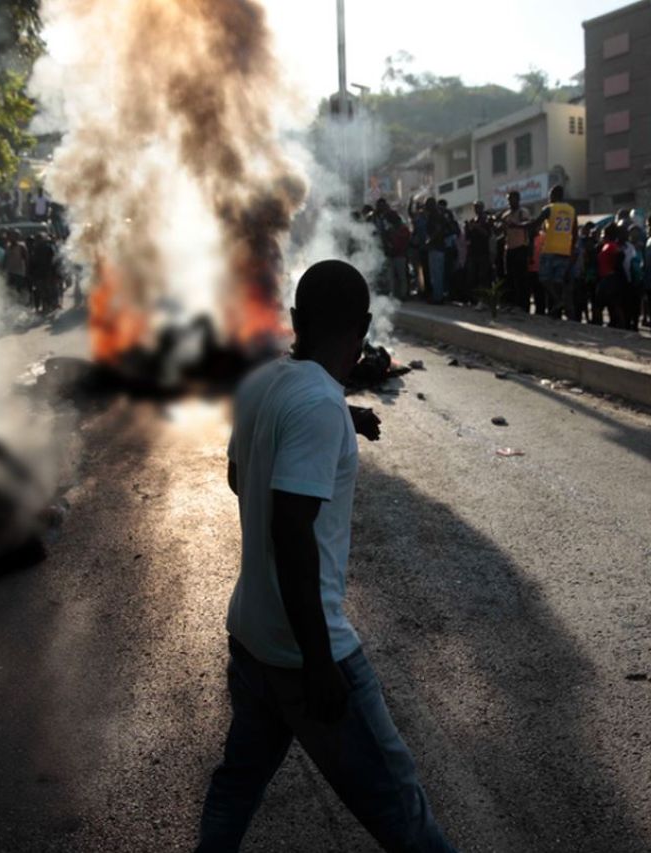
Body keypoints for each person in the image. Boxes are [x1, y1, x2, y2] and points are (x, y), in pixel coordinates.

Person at [197, 260, 454, 852]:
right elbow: (291, 531)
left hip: (252, 637)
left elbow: (242, 476)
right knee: (402, 811)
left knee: (236, 785)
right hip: (303, 651)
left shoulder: (264, 383)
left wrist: (345, 419)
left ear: (295, 320)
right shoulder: (317, 405)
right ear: (363, 326)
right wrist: (319, 662)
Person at [534, 185, 577, 320]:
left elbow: (535, 223)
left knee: (544, 279)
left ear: (553, 195)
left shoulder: (549, 208)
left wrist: (519, 225)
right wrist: (572, 249)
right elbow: (575, 232)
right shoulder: (571, 210)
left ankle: (558, 301)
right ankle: (555, 311)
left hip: (550, 249)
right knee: (557, 281)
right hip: (564, 251)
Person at [500, 190, 533, 312]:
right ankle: (512, 303)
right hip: (509, 248)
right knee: (510, 277)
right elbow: (502, 232)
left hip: (521, 248)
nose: (510, 202)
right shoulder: (505, 215)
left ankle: (523, 305)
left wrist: (516, 225)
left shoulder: (522, 212)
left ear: (518, 199)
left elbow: (528, 224)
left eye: (512, 199)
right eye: (508, 199)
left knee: (521, 278)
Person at [595, 223, 627, 328]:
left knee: (602, 304)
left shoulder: (611, 246)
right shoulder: (606, 246)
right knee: (612, 304)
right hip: (607, 277)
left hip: (609, 278)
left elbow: (620, 256)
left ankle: (619, 324)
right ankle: (616, 324)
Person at [464, 202, 493, 303]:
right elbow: (468, 238)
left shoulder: (487, 220)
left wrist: (477, 227)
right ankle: (474, 299)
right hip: (473, 252)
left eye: (479, 207)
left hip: (483, 253)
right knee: (472, 277)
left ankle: (484, 299)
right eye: (475, 207)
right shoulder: (473, 220)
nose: (477, 209)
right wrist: (468, 228)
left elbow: (487, 234)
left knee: (483, 277)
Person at [423, 197, 449, 304]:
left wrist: (430, 240)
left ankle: (437, 297)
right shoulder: (436, 215)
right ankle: (437, 296)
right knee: (437, 273)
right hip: (438, 247)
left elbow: (438, 230)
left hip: (436, 247)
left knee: (436, 274)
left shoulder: (435, 215)